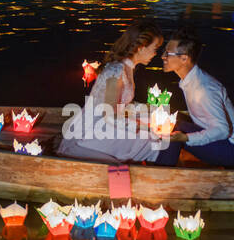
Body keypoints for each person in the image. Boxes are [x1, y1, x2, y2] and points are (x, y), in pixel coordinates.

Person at [57, 21, 167, 163]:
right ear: (141, 47)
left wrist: (147, 110)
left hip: (108, 122)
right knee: (152, 139)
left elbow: (121, 104)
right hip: (95, 130)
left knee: (154, 131)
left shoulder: (128, 68)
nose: (155, 54)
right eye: (154, 48)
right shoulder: (116, 70)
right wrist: (141, 125)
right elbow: (109, 114)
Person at [152, 31, 234, 167]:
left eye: (167, 53)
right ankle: (161, 164)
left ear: (184, 58)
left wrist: (186, 137)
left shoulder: (204, 88)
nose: (163, 57)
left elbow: (222, 130)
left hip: (229, 149)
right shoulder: (191, 80)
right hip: (220, 141)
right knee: (170, 121)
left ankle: (162, 172)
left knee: (172, 131)